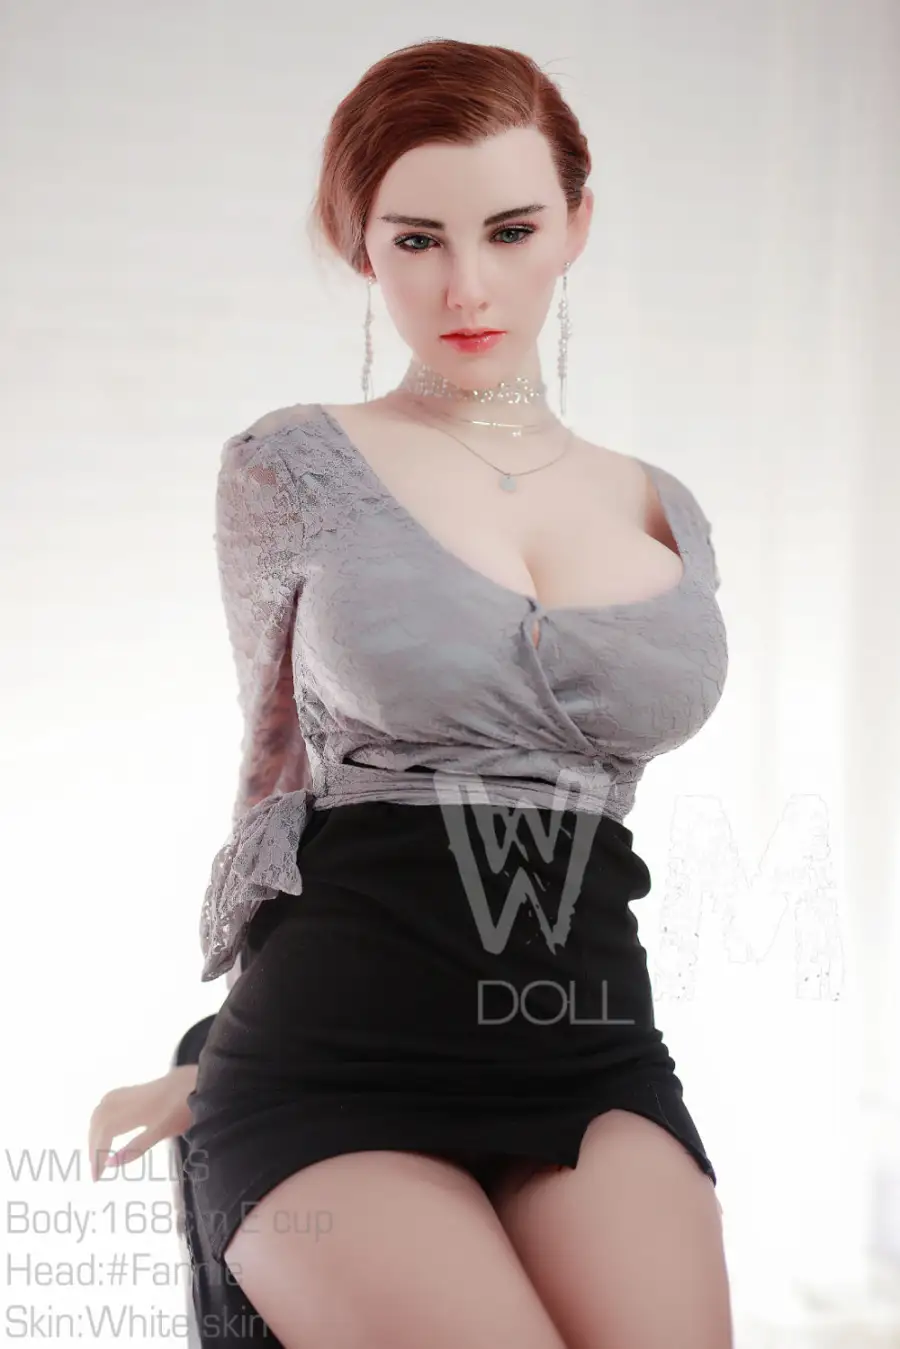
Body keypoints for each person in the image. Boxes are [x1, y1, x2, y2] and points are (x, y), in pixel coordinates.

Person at [88, 37, 733, 1349]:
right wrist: (212, 1046)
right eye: (417, 240)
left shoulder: (664, 505)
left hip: (592, 1045)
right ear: (362, 248)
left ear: (577, 226)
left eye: (510, 230)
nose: (466, 284)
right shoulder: (295, 468)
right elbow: (274, 772)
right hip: (334, 1055)